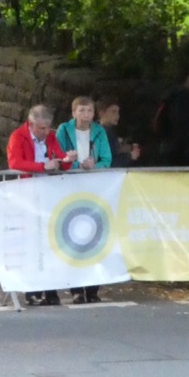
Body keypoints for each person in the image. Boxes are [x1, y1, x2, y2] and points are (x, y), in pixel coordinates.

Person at [6, 104, 76, 305]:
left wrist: (67, 160)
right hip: (27, 194)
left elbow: (59, 158)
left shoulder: (51, 137)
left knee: (49, 243)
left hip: (48, 194)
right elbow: (15, 163)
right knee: (32, 243)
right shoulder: (18, 137)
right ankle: (32, 291)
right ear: (31, 125)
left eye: (48, 128)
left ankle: (50, 291)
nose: (46, 133)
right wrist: (41, 166)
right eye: (41, 129)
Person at [55, 96, 113, 303]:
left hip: (92, 187)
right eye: (81, 111)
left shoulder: (99, 132)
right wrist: (73, 164)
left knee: (93, 236)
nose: (85, 115)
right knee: (72, 236)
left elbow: (106, 159)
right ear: (73, 113)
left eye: (89, 111)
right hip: (70, 186)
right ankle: (76, 289)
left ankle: (93, 289)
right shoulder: (63, 130)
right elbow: (59, 155)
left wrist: (94, 166)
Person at [155, 68, 189, 166]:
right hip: (180, 152)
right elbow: (183, 126)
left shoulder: (171, 96)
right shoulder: (183, 98)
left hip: (170, 148)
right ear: (185, 79)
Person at [96, 100, 141, 168]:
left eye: (118, 112)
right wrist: (130, 157)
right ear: (102, 113)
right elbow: (108, 163)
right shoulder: (104, 133)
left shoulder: (107, 130)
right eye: (113, 111)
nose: (117, 115)